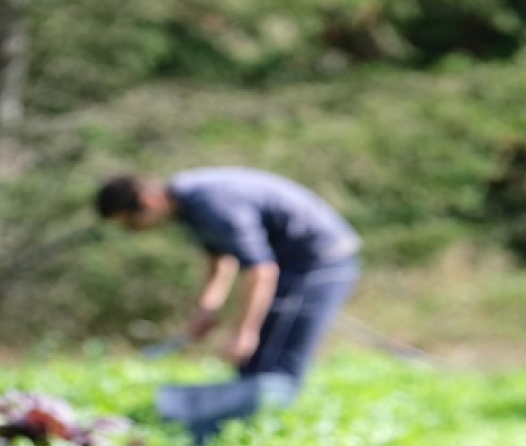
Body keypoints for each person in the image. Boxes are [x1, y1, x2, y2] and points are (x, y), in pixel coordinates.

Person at [95, 166, 361, 400]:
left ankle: (271, 427)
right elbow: (220, 258)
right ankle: (247, 421)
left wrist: (244, 332)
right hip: (291, 264)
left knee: (274, 361)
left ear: (148, 201)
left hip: (319, 262)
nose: (134, 230)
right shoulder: (185, 204)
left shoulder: (211, 203)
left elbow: (261, 270)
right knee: (252, 363)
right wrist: (207, 309)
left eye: (131, 223)